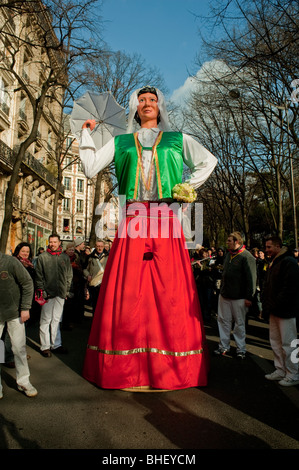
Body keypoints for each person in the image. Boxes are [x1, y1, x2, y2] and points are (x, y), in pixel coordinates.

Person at [78, 85, 217, 391]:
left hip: (167, 216)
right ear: (135, 108)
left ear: (160, 106)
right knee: (128, 291)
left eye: (152, 100)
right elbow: (89, 169)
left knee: (169, 289)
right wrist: (86, 134)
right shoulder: (122, 141)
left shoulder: (178, 139)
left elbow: (209, 161)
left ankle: (171, 366)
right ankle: (127, 366)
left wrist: (186, 188)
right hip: (134, 218)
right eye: (141, 100)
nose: (147, 104)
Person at [262, 236, 299, 386]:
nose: (267, 250)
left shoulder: (288, 262)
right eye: (266, 247)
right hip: (275, 309)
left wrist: (275, 304)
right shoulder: (276, 261)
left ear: (278, 246)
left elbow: (289, 288)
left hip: (286, 310)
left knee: (289, 343)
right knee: (276, 342)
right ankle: (281, 370)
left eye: (269, 247)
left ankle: (294, 374)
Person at [0, 251, 37, 398]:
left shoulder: (10, 262)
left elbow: (27, 283)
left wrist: (25, 307)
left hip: (14, 312)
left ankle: (23, 381)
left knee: (18, 348)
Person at [214, 232, 256, 359]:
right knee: (223, 321)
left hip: (239, 297)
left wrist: (249, 296)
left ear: (237, 242)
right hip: (225, 295)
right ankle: (224, 346)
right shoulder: (228, 255)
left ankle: (240, 349)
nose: (227, 243)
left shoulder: (246, 256)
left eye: (229, 241)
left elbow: (252, 278)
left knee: (239, 324)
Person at [35, 233, 73, 357]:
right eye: (50, 242)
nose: (52, 244)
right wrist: (42, 291)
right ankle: (45, 346)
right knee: (45, 320)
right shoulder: (42, 257)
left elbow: (69, 275)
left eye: (55, 242)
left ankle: (56, 344)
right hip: (48, 294)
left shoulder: (65, 257)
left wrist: (66, 291)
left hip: (61, 293)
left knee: (57, 319)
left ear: (59, 243)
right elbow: (39, 276)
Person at [83, 239, 108, 313]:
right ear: (95, 247)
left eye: (101, 246)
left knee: (104, 306)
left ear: (104, 247)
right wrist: (87, 275)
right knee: (95, 305)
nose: (99, 248)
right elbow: (84, 269)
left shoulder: (108, 256)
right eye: (98, 246)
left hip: (105, 284)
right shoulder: (90, 257)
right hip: (94, 284)